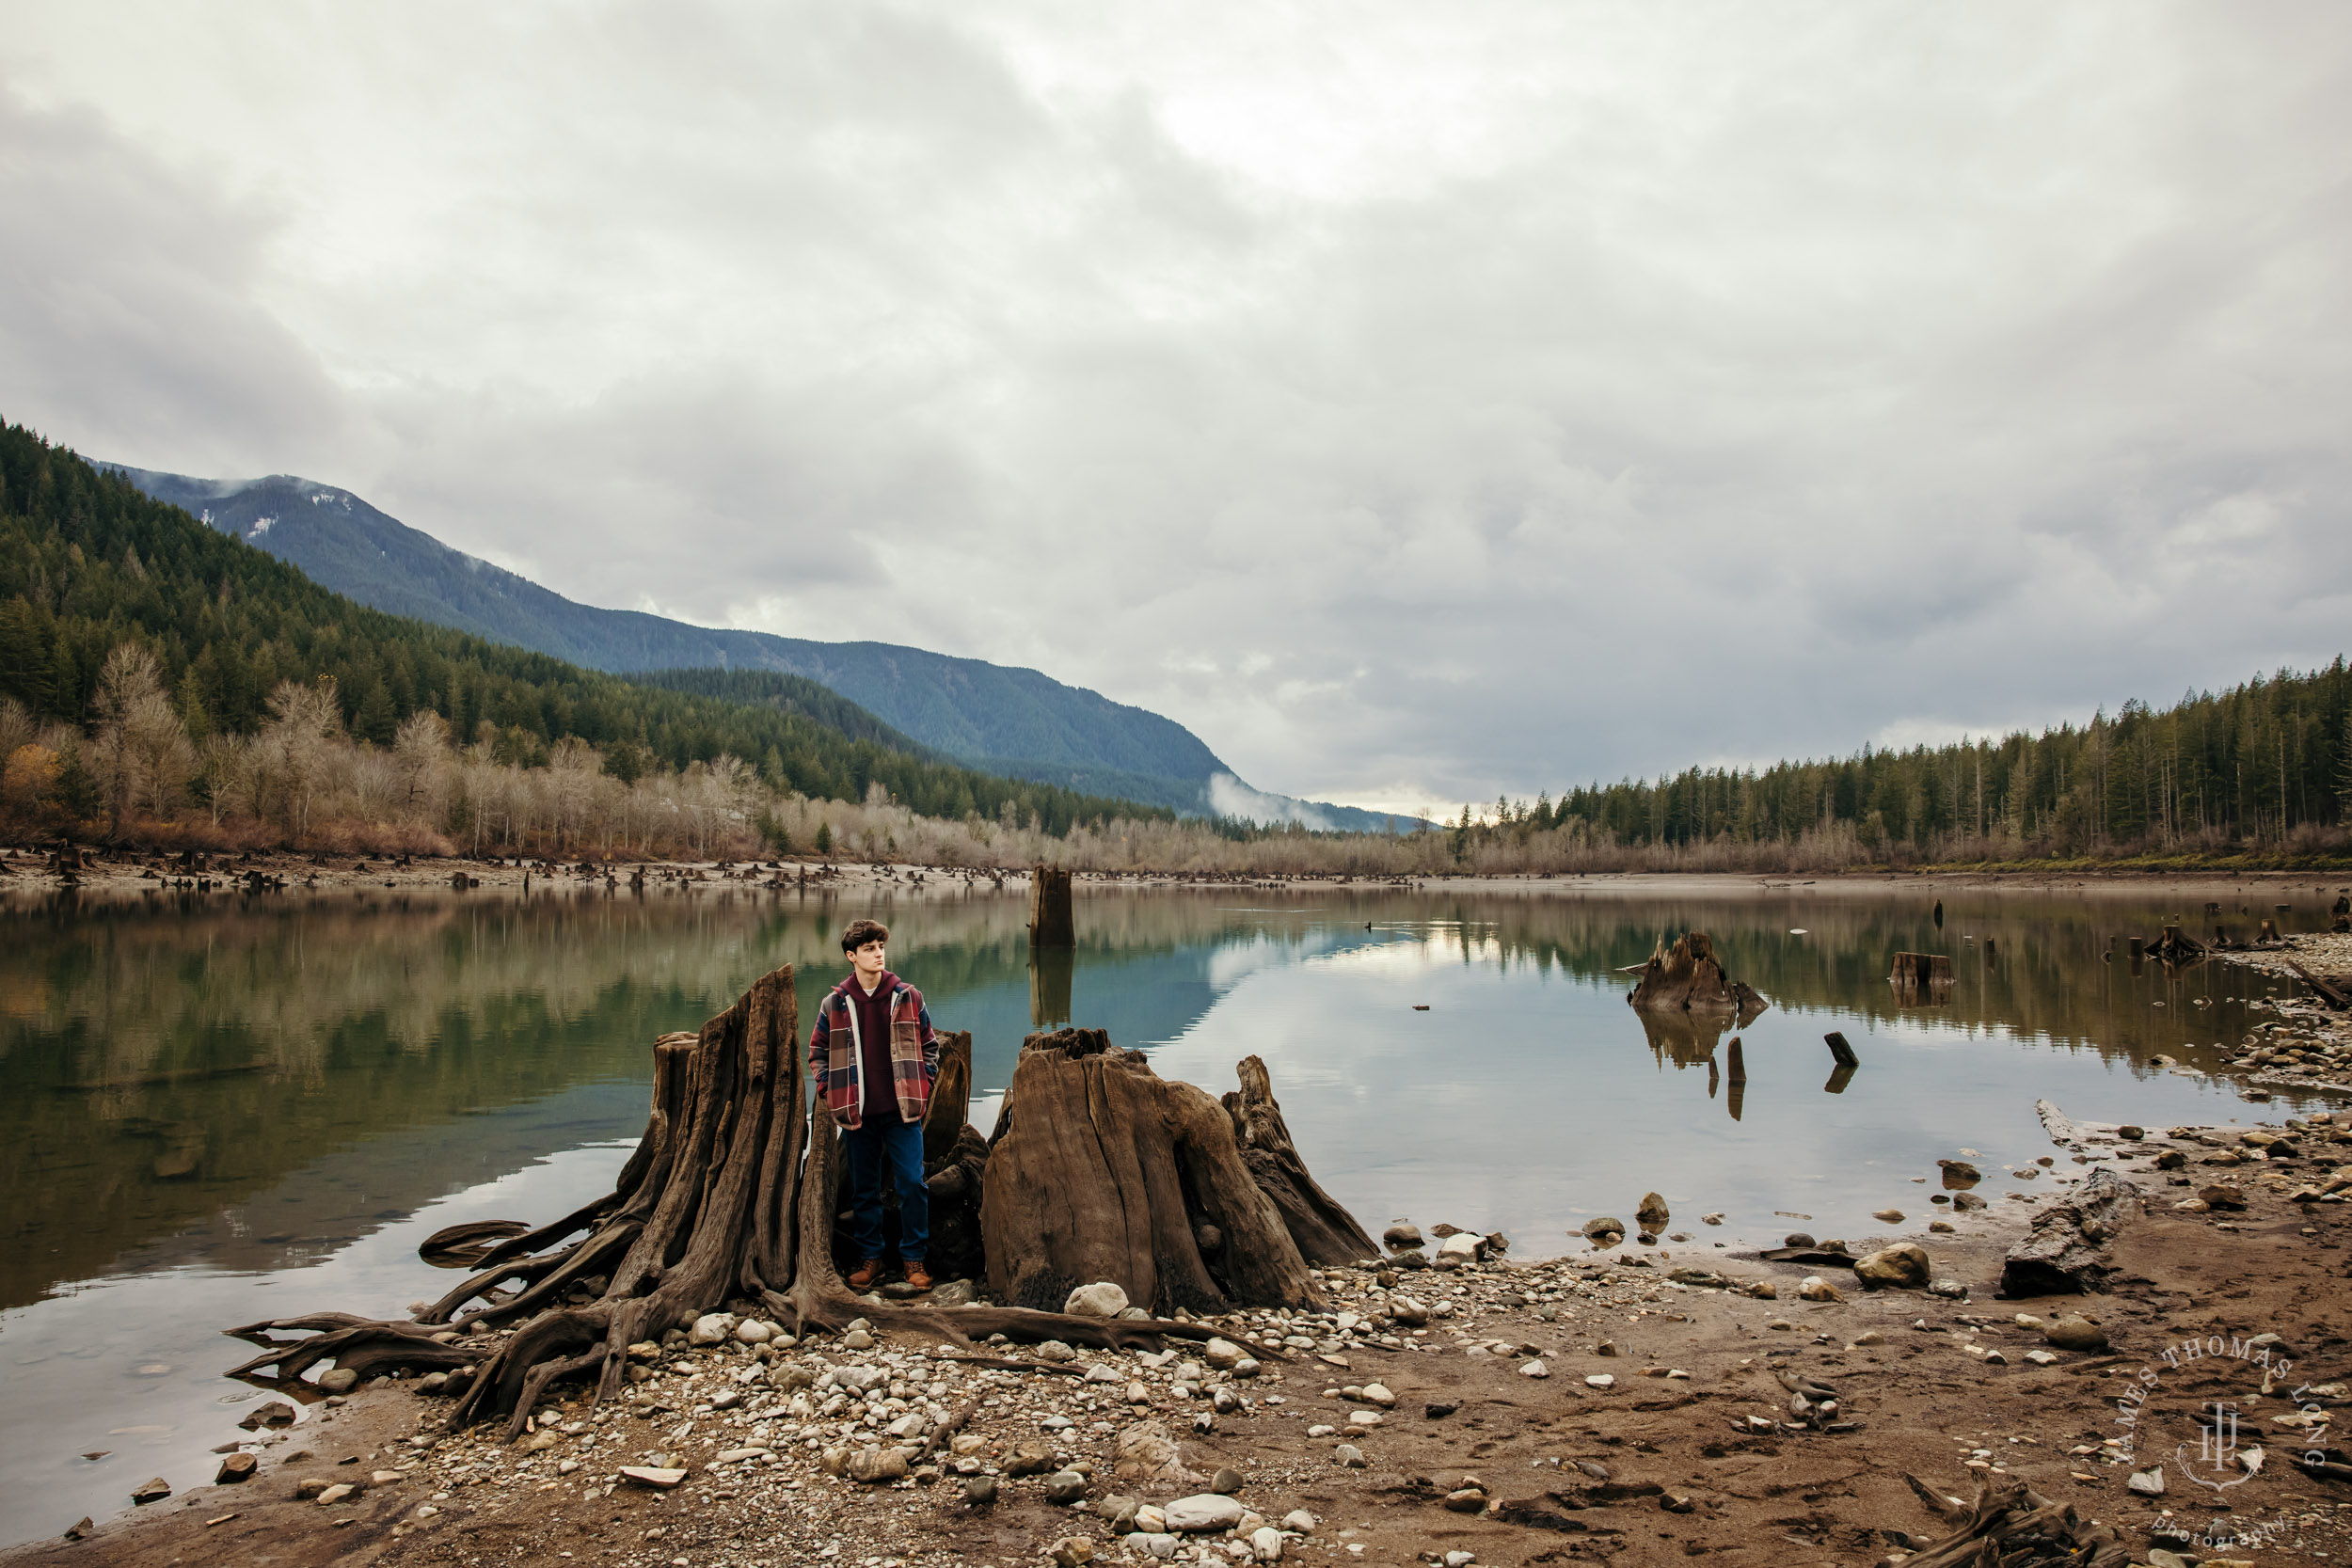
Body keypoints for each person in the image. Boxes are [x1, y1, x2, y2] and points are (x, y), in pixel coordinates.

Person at [807, 917, 940, 1291]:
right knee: (864, 1190)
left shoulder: (908, 996)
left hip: (903, 1112)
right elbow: (817, 1052)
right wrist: (828, 1090)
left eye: (881, 947)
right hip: (857, 1113)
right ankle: (872, 1259)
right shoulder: (834, 1004)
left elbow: (930, 1047)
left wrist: (925, 1085)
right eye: (869, 949)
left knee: (913, 1183)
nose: (878, 954)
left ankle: (914, 1259)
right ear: (852, 956)